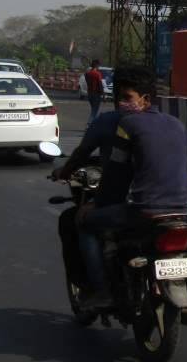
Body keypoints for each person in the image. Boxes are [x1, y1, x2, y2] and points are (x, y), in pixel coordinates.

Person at [77, 66, 187, 308]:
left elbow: (116, 175)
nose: (121, 104)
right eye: (118, 98)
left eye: (127, 98)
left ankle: (102, 291)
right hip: (182, 213)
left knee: (85, 224)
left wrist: (95, 204)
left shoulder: (128, 126)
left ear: (145, 100)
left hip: (144, 211)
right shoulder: (177, 124)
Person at [51, 67, 135, 295]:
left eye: (127, 97)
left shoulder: (121, 126)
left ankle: (99, 290)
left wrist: (66, 172)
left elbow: (91, 159)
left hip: (134, 203)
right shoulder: (170, 124)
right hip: (174, 205)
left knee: (80, 221)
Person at [84, 59, 104, 127]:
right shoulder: (98, 74)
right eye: (98, 65)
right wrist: (103, 94)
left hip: (89, 93)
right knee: (94, 110)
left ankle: (93, 124)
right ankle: (89, 124)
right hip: (96, 94)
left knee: (93, 109)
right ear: (97, 65)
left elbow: (87, 82)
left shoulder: (87, 74)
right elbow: (100, 84)